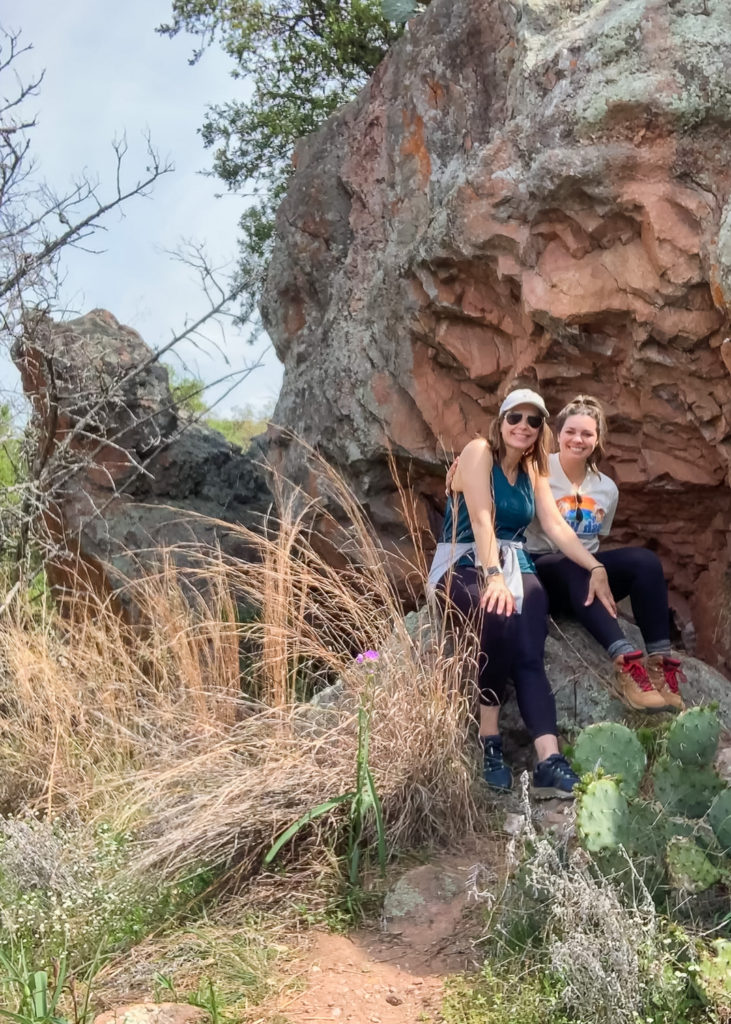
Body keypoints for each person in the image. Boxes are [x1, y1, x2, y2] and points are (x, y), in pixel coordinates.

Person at [429, 388, 617, 797]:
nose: (524, 427)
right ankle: (490, 740)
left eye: (534, 421)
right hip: (464, 560)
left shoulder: (534, 470)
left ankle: (549, 760)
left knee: (530, 645)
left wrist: (595, 565)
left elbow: (555, 526)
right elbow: (480, 518)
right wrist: (493, 575)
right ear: (501, 421)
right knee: (496, 615)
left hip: (518, 562)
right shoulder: (479, 451)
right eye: (515, 417)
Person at [524, 395, 685, 712]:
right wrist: (594, 568)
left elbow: (594, 539)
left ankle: (658, 663)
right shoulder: (539, 470)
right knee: (576, 564)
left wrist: (597, 569)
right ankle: (626, 664)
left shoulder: (606, 488)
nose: (577, 439)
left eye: (587, 434)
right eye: (571, 431)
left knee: (645, 562)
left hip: (587, 576)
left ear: (597, 440)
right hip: (546, 573)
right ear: (558, 434)